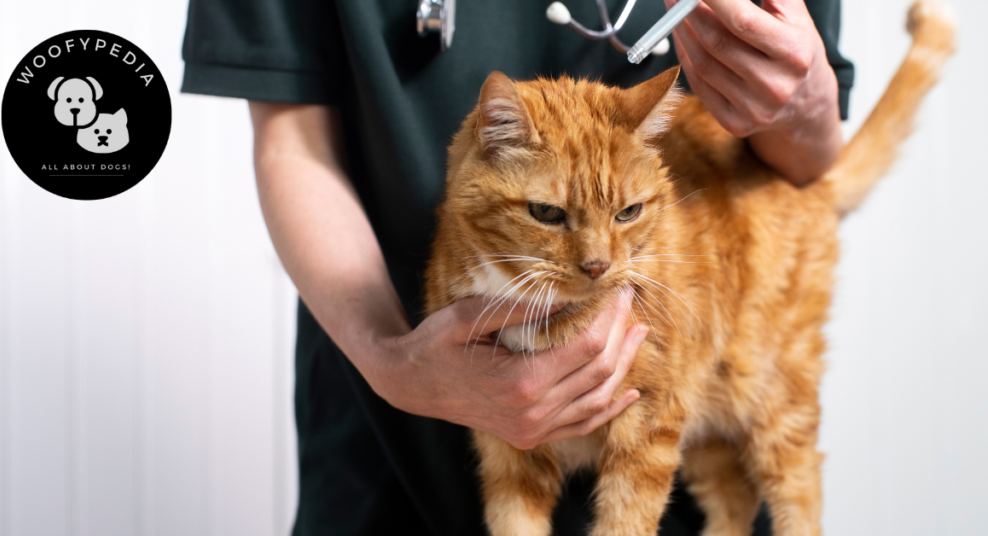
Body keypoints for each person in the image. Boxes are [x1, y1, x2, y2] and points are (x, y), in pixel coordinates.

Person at [181, 1, 853, 534]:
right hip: (393, 447)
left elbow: (806, 162)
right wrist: (391, 362)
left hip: (677, 478)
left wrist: (810, 101)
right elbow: (291, 140)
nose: (595, 262)